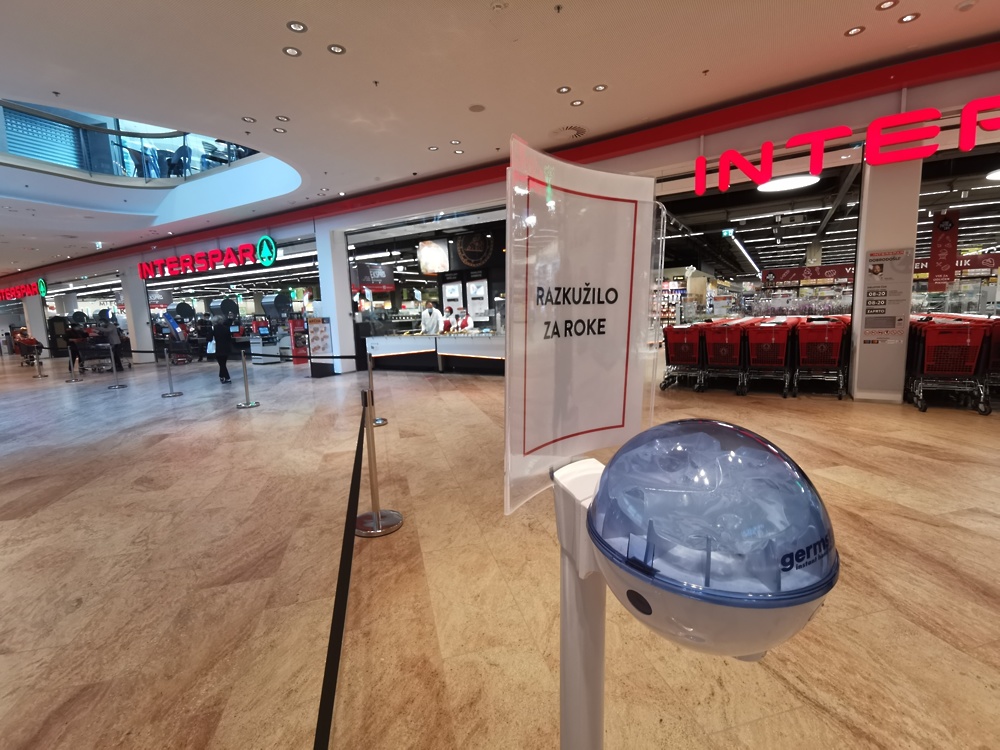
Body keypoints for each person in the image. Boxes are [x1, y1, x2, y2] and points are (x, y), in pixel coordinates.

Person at [211, 315, 233, 383]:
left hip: (217, 348)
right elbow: (229, 338)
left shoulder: (213, 329)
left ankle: (227, 377)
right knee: (223, 363)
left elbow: (209, 338)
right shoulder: (226, 328)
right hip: (226, 348)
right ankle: (221, 376)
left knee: (222, 364)